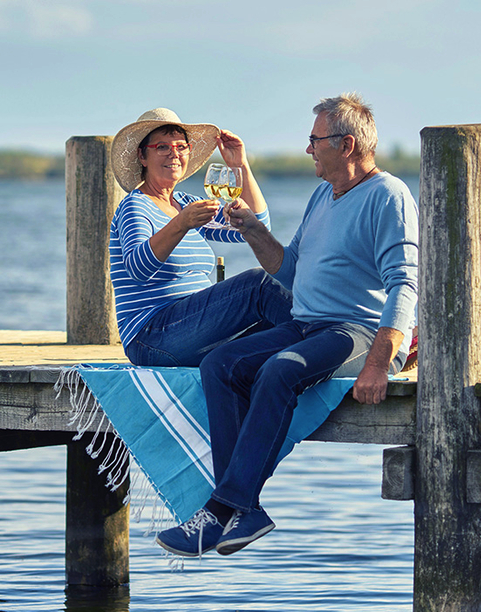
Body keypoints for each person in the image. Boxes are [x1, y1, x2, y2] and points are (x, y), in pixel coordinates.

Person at [156, 93, 419, 557]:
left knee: (280, 369)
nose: (308, 150)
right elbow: (290, 268)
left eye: (315, 140)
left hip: (355, 332)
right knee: (220, 363)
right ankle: (244, 509)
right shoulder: (323, 194)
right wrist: (253, 230)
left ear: (348, 144)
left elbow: (405, 285)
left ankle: (221, 510)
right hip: (307, 324)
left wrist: (380, 362)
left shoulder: (388, 196)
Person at [109, 108, 292, 367]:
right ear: (143, 155)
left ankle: (325, 347)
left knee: (271, 323)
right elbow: (138, 269)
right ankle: (328, 338)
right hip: (150, 339)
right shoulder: (135, 206)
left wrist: (240, 165)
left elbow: (258, 226)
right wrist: (181, 224)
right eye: (162, 147)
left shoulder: (185, 203)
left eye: (181, 146)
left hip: (193, 332)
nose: (174, 154)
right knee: (257, 283)